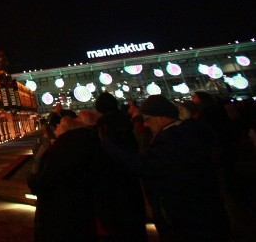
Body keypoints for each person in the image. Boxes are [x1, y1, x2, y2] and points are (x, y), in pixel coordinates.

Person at [101, 94, 231, 242]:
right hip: (201, 213)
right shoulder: (185, 133)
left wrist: (109, 147)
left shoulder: (173, 140)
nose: (146, 124)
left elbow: (148, 167)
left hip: (188, 216)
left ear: (162, 117)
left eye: (148, 119)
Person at [28, 111, 101, 241]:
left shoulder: (61, 150)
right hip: (80, 212)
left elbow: (41, 182)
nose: (56, 127)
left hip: (58, 214)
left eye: (59, 125)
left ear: (66, 129)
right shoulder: (87, 144)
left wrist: (37, 164)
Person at [94, 92, 148, 242]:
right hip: (131, 180)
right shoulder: (127, 121)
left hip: (112, 182)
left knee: (118, 226)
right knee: (135, 223)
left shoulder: (103, 127)